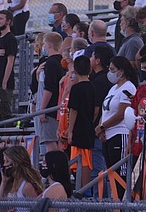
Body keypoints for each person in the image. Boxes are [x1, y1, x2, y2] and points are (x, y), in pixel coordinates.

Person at [97, 56, 137, 174]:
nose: (110, 73)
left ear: (121, 71)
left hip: (119, 133)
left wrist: (103, 126)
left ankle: (122, 193)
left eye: (112, 69)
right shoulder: (113, 88)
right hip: (108, 134)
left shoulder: (128, 86)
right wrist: (101, 127)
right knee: (111, 172)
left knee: (120, 172)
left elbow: (122, 113)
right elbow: (106, 110)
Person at [65, 55, 95, 188]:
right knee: (87, 160)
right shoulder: (92, 87)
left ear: (75, 70)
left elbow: (73, 110)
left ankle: (82, 189)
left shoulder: (76, 89)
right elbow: (96, 109)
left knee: (80, 161)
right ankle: (85, 189)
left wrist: (70, 130)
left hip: (78, 128)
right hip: (88, 126)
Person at [38, 32, 65, 153]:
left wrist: (42, 110)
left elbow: (49, 88)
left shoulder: (51, 63)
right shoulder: (61, 62)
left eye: (44, 44)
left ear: (48, 45)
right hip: (58, 108)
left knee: (50, 141)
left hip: (51, 109)